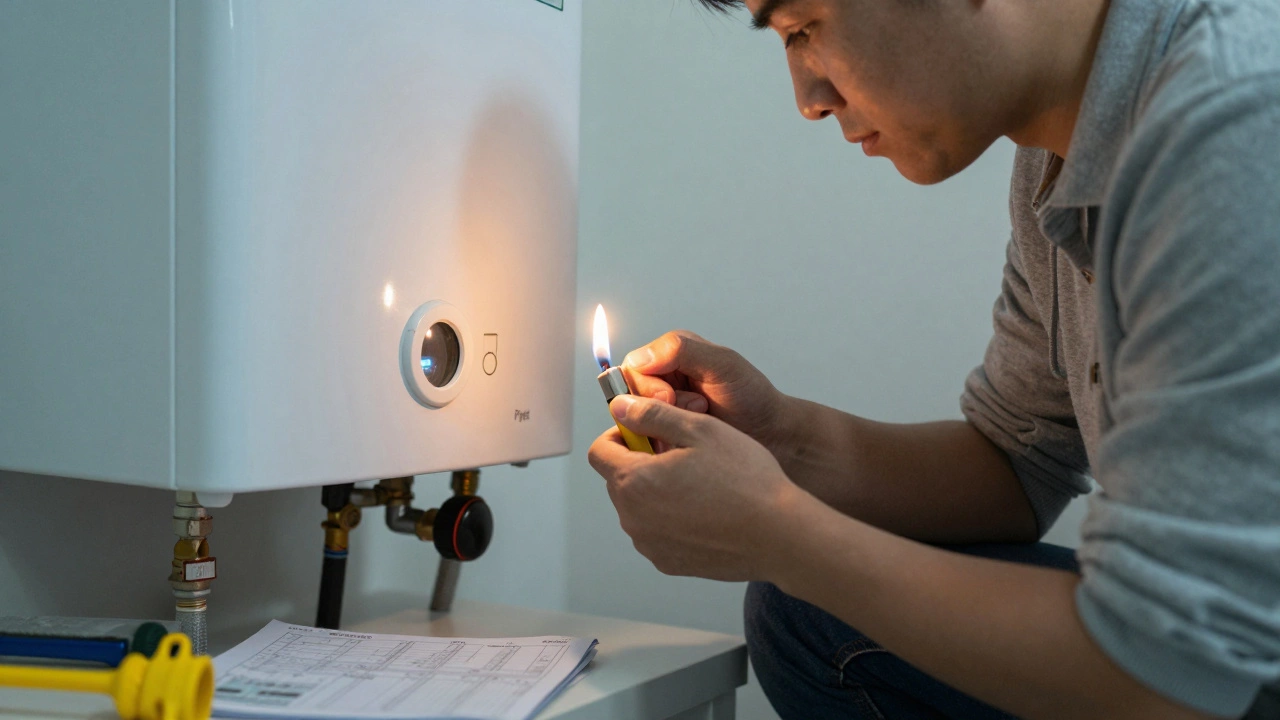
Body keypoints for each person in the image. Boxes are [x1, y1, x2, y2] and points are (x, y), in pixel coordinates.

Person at [585, 0, 1280, 718]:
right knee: (808, 618)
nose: (809, 100)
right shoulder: (1062, 159)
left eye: (801, 28)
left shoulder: (1233, 118)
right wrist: (780, 443)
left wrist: (779, 533)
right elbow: (1016, 464)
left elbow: (1173, 678)